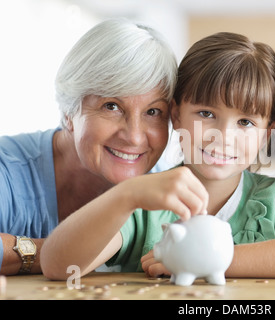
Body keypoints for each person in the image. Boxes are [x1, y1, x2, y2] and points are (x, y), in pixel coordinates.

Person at [40, 32, 275, 280]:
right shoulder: (146, 203)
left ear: (266, 133)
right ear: (175, 114)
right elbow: (58, 266)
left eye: (245, 122)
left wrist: (202, 259)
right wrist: (126, 196)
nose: (223, 137)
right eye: (206, 113)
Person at [0, 18, 200, 275]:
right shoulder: (8, 169)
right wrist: (51, 252)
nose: (134, 137)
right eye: (112, 106)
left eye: (153, 111)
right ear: (69, 111)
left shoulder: (166, 195)